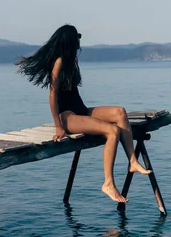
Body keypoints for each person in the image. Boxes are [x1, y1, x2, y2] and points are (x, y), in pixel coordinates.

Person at [16, 24, 151, 203]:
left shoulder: (71, 60)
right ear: (70, 40)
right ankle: (108, 184)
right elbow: (52, 95)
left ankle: (132, 161)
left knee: (120, 112)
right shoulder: (59, 62)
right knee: (112, 131)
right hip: (68, 116)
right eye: (78, 36)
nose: (80, 39)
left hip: (81, 111)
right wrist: (58, 126)